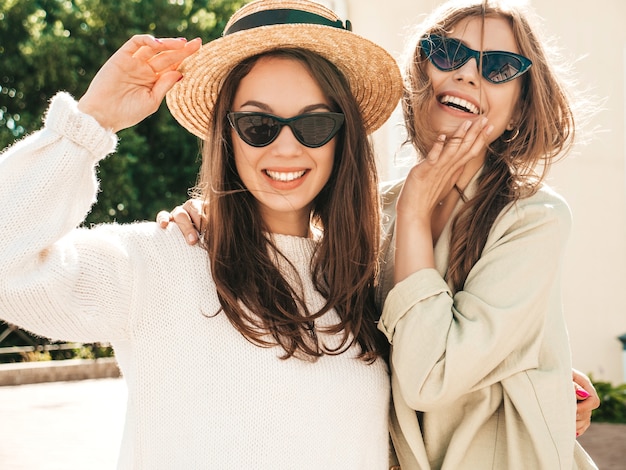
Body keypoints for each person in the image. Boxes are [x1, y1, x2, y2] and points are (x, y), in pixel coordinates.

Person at [159, 0, 601, 468]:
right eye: (449, 53)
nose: (470, 73)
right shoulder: (368, 211)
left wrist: (413, 214)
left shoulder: (534, 217)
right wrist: (212, 213)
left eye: (500, 67)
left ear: (519, 110)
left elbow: (429, 378)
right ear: (419, 76)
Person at [0, 1, 404, 468]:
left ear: (343, 137)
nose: (286, 146)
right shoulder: (158, 264)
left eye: (314, 123)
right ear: (226, 136)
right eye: (258, 125)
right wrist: (90, 122)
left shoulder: (367, 287)